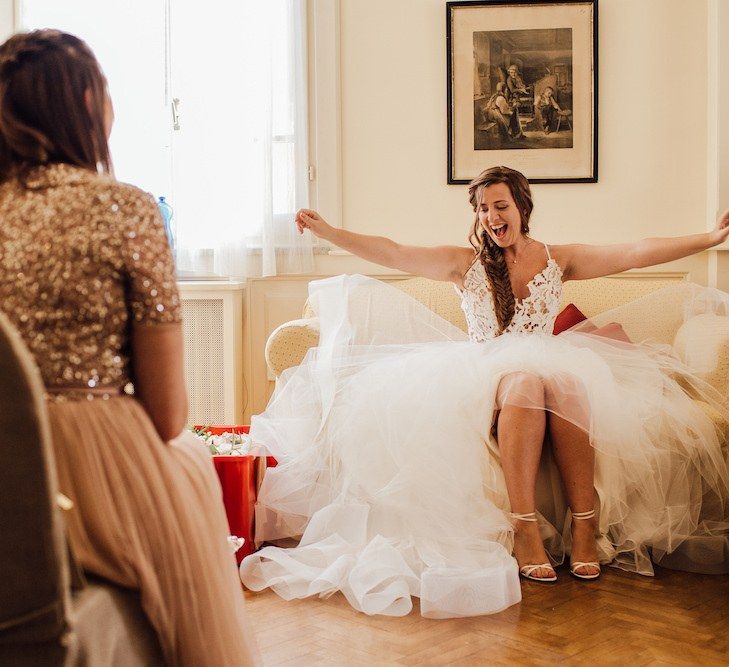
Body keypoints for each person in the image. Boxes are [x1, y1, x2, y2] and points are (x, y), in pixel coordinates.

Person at [240, 165, 729, 618]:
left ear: (522, 208)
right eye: (482, 208)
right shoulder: (464, 264)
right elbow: (391, 251)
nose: (492, 216)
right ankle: (523, 527)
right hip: (487, 373)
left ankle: (586, 526)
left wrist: (711, 237)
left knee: (568, 383)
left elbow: (636, 252)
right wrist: (329, 232)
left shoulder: (558, 259)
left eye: (500, 206)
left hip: (548, 367)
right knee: (523, 383)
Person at [0, 30, 259, 665]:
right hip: (91, 457)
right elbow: (168, 414)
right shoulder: (127, 209)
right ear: (86, 101)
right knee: (191, 462)